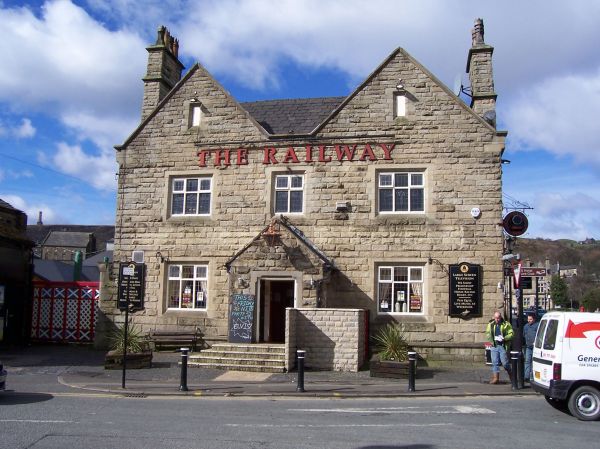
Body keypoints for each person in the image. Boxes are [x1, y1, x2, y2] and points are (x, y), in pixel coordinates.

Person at [485, 310, 514, 384]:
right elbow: (488, 333)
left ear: (500, 317)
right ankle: (496, 378)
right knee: (495, 363)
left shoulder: (506, 324)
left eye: (498, 318)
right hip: (494, 345)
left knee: (505, 363)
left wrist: (504, 338)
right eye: (495, 318)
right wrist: (491, 340)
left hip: (502, 346)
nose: (497, 319)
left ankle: (512, 376)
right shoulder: (491, 324)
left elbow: (511, 334)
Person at [523, 312, 539, 382]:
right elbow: (524, 335)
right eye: (528, 319)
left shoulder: (537, 325)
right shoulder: (526, 326)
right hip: (528, 346)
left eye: (530, 319)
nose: (529, 320)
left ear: (534, 319)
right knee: (527, 361)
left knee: (534, 362)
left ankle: (533, 377)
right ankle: (526, 376)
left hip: (535, 347)